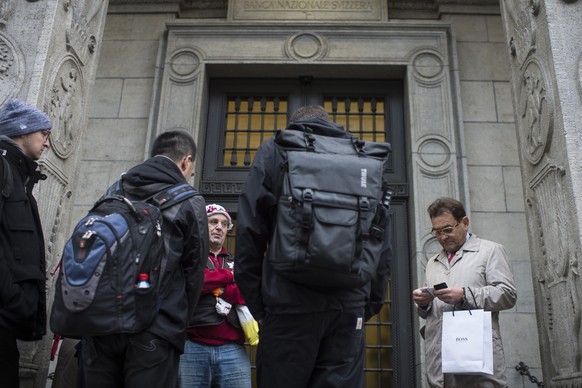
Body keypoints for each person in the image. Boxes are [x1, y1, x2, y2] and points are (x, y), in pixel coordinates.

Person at [234, 105, 392, 388]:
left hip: (287, 302)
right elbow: (381, 242)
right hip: (347, 304)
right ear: (329, 123)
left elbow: (249, 231)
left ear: (294, 125)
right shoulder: (362, 157)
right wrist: (366, 303)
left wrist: (262, 305)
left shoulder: (276, 149)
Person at [80, 130, 209, 388]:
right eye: (191, 170)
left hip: (100, 324)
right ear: (186, 161)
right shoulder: (189, 200)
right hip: (156, 327)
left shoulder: (113, 192)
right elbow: (194, 273)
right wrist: (178, 321)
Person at [412, 197, 517, 388]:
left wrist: (464, 295)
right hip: (439, 369)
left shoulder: (490, 251)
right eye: (436, 232)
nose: (442, 237)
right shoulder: (432, 262)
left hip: (477, 368)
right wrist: (424, 302)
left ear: (465, 223)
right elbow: (430, 313)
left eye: (447, 230)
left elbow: (507, 295)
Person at [0, 98, 51, 388]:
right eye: (44, 134)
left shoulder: (21, 177)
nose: (46, 144)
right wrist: (11, 298)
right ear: (22, 131)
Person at [178, 203, 251, 388]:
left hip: (233, 350)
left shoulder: (238, 260)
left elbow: (249, 291)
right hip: (192, 348)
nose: (219, 227)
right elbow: (194, 284)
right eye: (213, 222)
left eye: (224, 224)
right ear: (203, 225)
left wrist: (218, 287)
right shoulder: (190, 257)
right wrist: (228, 276)